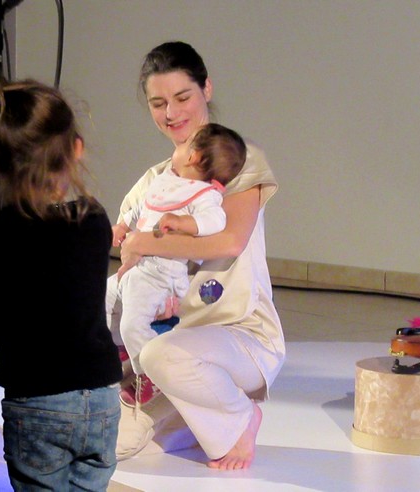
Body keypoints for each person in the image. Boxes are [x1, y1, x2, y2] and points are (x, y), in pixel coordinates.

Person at [0, 71, 122, 491]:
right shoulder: (94, 218)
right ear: (76, 149)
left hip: (39, 402)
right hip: (103, 399)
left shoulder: (4, 232)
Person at [114, 41, 285, 471]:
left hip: (240, 335)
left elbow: (228, 242)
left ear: (206, 89)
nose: (171, 113)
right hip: (174, 336)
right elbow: (126, 248)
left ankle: (241, 416)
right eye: (158, 103)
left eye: (182, 97)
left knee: (160, 356)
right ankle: (193, 405)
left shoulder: (240, 160)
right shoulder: (154, 180)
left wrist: (145, 241)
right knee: (114, 447)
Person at [106, 123, 247, 408]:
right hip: (135, 269)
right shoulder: (166, 179)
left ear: (193, 156)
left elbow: (215, 222)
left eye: (184, 146)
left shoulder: (203, 194)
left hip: (161, 274)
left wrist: (183, 222)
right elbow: (144, 206)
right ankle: (121, 352)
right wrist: (123, 224)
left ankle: (150, 374)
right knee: (103, 302)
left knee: (134, 321)